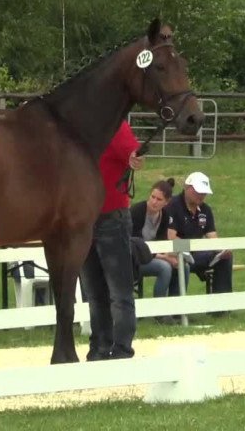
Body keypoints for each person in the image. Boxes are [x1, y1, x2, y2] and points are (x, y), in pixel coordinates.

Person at [80, 120, 143, 361]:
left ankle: (121, 348)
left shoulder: (115, 126)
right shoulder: (84, 126)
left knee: (118, 292)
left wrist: (135, 158)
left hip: (111, 217)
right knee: (95, 292)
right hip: (86, 218)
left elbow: (133, 153)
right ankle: (100, 346)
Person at [166, 172, 233, 298]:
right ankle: (177, 310)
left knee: (225, 258)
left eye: (204, 193)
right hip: (177, 254)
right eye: (198, 192)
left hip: (196, 254)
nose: (202, 196)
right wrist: (191, 247)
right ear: (187, 188)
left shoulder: (206, 210)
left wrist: (221, 250)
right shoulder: (173, 206)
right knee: (180, 261)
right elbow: (171, 238)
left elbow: (212, 236)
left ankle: (221, 306)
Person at [131, 178, 190, 304]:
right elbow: (135, 245)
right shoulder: (137, 211)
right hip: (135, 258)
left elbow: (162, 242)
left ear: (167, 202)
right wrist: (165, 258)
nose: (154, 202)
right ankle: (160, 310)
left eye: (159, 199)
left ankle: (177, 309)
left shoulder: (165, 216)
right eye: (152, 197)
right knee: (164, 267)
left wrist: (171, 256)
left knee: (183, 266)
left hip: (153, 256)